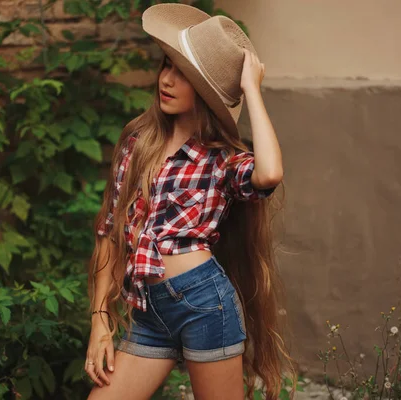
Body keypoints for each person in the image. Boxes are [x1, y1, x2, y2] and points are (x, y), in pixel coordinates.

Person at [86, 4, 295, 399]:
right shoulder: (137, 143)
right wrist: (100, 322)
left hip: (204, 305)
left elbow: (268, 175)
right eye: (167, 66)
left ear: (205, 90)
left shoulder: (221, 159)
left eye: (183, 74)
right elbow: (109, 236)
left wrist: (251, 89)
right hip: (148, 312)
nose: (166, 79)